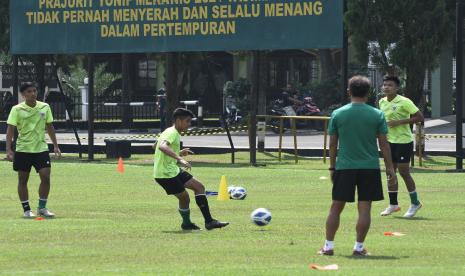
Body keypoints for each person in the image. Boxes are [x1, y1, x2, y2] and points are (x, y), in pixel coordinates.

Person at [319, 76, 396, 256]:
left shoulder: (338, 113)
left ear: (349, 92)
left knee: (336, 206)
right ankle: (359, 248)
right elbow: (384, 144)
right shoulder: (377, 114)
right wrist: (390, 168)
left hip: (344, 167)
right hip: (369, 167)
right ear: (368, 93)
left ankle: (328, 247)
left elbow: (332, 144)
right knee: (365, 207)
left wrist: (332, 168)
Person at [153, 108, 229, 231]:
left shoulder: (169, 131)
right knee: (185, 198)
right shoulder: (172, 133)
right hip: (165, 174)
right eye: (187, 121)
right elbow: (161, 146)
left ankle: (209, 222)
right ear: (178, 120)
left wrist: (178, 152)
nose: (189, 125)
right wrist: (180, 158)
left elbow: (154, 146)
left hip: (172, 170)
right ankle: (187, 224)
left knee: (199, 187)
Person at [5, 82, 61, 219]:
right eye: (29, 91)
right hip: (23, 149)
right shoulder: (17, 109)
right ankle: (26, 210)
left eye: (34, 91)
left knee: (46, 177)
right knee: (23, 180)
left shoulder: (44, 107)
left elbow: (49, 126)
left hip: (41, 149)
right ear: (23, 94)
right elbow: (10, 129)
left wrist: (55, 145)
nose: (33, 94)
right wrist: (8, 149)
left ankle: (42, 208)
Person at [379, 76, 424, 218]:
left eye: (390, 85)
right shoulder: (381, 101)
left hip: (403, 142)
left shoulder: (404, 101)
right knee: (389, 172)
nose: (386, 87)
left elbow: (419, 117)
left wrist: (400, 122)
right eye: (385, 85)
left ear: (397, 88)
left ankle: (415, 203)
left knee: (404, 172)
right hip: (388, 142)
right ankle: (393, 204)